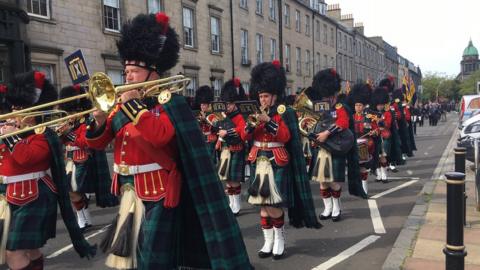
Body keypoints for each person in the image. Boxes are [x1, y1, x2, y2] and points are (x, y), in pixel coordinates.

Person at [86, 12, 251, 269]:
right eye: (126, 71)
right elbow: (96, 144)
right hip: (130, 190)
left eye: (134, 71)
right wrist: (97, 120)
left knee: (154, 261)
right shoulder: (123, 106)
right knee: (130, 260)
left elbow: (161, 136)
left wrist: (134, 108)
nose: (127, 77)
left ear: (153, 73)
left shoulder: (168, 101)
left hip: (159, 191)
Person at [0, 71, 96, 270]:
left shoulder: (43, 134)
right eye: (14, 107)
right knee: (31, 250)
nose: (15, 112)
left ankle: (84, 219)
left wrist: (11, 137)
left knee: (14, 253)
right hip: (13, 195)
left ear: (34, 109)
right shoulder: (16, 131)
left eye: (21, 107)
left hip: (35, 194)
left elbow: (26, 158)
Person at [243, 61, 320, 260]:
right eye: (260, 96)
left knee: (274, 204)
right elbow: (245, 136)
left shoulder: (283, 113)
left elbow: (285, 137)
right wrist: (251, 125)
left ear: (275, 95)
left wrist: (268, 122)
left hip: (276, 160)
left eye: (266, 96)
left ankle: (279, 239)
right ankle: (267, 242)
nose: (263, 99)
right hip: (258, 159)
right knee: (262, 205)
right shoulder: (256, 113)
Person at [307, 68, 366, 223]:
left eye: (329, 96)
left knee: (333, 181)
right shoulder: (318, 106)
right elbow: (313, 123)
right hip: (321, 149)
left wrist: (327, 133)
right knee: (322, 180)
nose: (327, 99)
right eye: (325, 96)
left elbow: (343, 123)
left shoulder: (340, 108)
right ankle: (327, 208)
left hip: (335, 147)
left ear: (334, 94)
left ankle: (337, 207)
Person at [57, 85, 118, 231]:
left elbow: (85, 142)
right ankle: (84, 219)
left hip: (83, 159)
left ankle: (83, 218)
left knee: (74, 190)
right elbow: (62, 143)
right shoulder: (68, 122)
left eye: (73, 112)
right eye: (69, 112)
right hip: (69, 159)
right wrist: (58, 135)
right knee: (71, 190)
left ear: (80, 111)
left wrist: (69, 133)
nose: (70, 115)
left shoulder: (86, 122)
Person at [215, 78, 247, 215]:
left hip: (237, 148)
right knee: (227, 179)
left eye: (228, 104)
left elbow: (241, 132)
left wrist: (226, 132)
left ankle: (237, 204)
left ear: (234, 104)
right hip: (225, 149)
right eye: (225, 104)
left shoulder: (240, 116)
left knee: (234, 179)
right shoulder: (223, 115)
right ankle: (231, 203)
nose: (226, 107)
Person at [349, 83, 376, 194]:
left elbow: (377, 130)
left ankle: (365, 190)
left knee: (363, 168)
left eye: (360, 105)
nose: (358, 107)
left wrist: (374, 132)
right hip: (353, 144)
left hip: (365, 144)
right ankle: (358, 189)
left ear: (364, 106)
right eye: (356, 105)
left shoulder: (369, 117)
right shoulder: (351, 117)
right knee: (355, 169)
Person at [194, 85, 217, 164]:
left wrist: (205, 119)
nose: (202, 106)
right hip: (202, 140)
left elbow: (215, 127)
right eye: (201, 104)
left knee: (210, 162)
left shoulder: (213, 115)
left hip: (210, 140)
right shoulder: (200, 114)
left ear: (208, 104)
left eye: (204, 104)